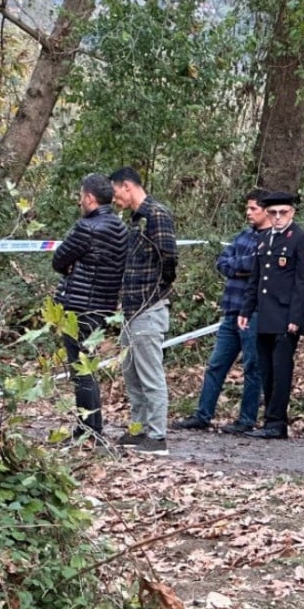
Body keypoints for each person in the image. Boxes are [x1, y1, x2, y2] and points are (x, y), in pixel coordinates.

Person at [174, 189, 270, 434]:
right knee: (216, 364)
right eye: (247, 208)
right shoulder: (243, 236)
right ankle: (202, 414)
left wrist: (241, 264)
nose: (248, 213)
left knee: (252, 366)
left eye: (253, 209)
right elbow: (223, 263)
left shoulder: (271, 239)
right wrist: (243, 265)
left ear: (265, 210)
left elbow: (257, 265)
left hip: (253, 313)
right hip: (230, 311)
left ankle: (246, 419)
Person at [51, 173, 129, 441]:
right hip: (102, 307)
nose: (79, 202)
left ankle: (88, 430)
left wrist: (72, 265)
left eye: (80, 196)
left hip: (79, 306)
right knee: (89, 367)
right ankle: (92, 427)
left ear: (89, 198)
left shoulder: (87, 228)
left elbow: (59, 259)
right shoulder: (121, 228)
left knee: (81, 370)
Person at [109, 166, 178, 456]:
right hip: (130, 309)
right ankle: (139, 430)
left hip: (148, 308)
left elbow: (169, 257)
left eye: (115, 193)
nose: (115, 200)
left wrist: (156, 290)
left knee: (150, 375)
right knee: (132, 376)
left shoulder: (156, 214)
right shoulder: (135, 220)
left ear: (127, 186)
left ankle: (157, 436)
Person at [238, 191, 304, 440]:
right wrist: (246, 310)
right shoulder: (264, 239)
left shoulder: (301, 239)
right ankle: (270, 419)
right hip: (266, 315)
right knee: (267, 370)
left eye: (283, 212)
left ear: (292, 213)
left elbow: (303, 283)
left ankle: (277, 421)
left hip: (286, 317)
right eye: (273, 213)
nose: (278, 217)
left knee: (281, 370)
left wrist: (295, 317)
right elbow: (256, 279)